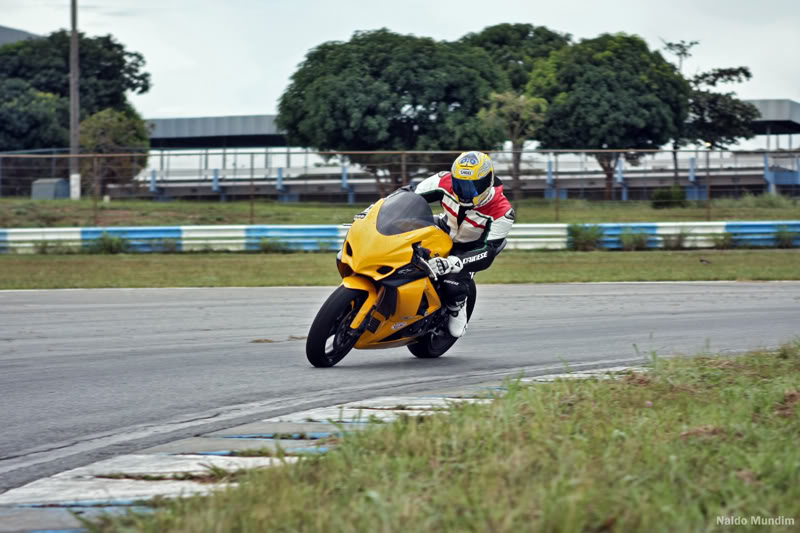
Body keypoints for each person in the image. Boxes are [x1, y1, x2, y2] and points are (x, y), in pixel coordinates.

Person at [414, 151, 515, 338]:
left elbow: (488, 251)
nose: (465, 192)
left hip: (470, 248)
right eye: (460, 184)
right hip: (442, 229)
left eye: (472, 186)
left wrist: (454, 262)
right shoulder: (443, 181)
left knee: (452, 286)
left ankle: (457, 306)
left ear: (487, 182)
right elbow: (409, 195)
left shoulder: (502, 211)